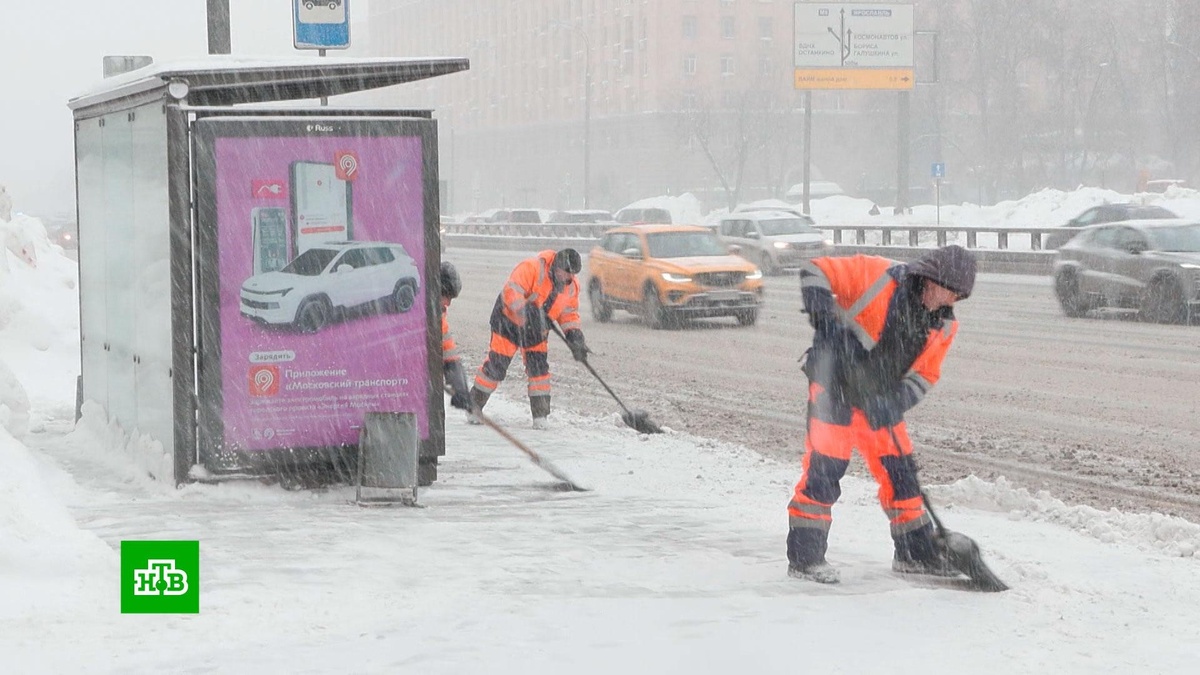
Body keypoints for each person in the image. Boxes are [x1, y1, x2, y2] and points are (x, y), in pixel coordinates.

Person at [786, 245, 977, 584]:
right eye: (950, 293)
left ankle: (914, 554)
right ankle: (806, 558)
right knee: (825, 469)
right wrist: (828, 325)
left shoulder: (943, 325)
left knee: (902, 473)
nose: (950, 303)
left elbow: (925, 375)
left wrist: (895, 402)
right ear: (931, 279)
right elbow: (813, 269)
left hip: (877, 401)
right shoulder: (876, 275)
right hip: (834, 388)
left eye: (958, 298)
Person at [469, 248, 589, 429]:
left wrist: (575, 336)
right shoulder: (531, 268)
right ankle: (474, 407)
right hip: (508, 323)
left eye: (572, 274)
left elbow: (569, 314)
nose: (569, 278)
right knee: (496, 366)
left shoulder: (571, 287)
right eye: (566, 273)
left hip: (536, 332)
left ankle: (540, 416)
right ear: (556, 267)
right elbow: (511, 292)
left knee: (539, 371)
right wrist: (526, 310)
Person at [440, 261, 473, 414]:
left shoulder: (437, 315)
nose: (448, 303)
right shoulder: (419, 310)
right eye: (447, 296)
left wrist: (460, 387)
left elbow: (448, 352)